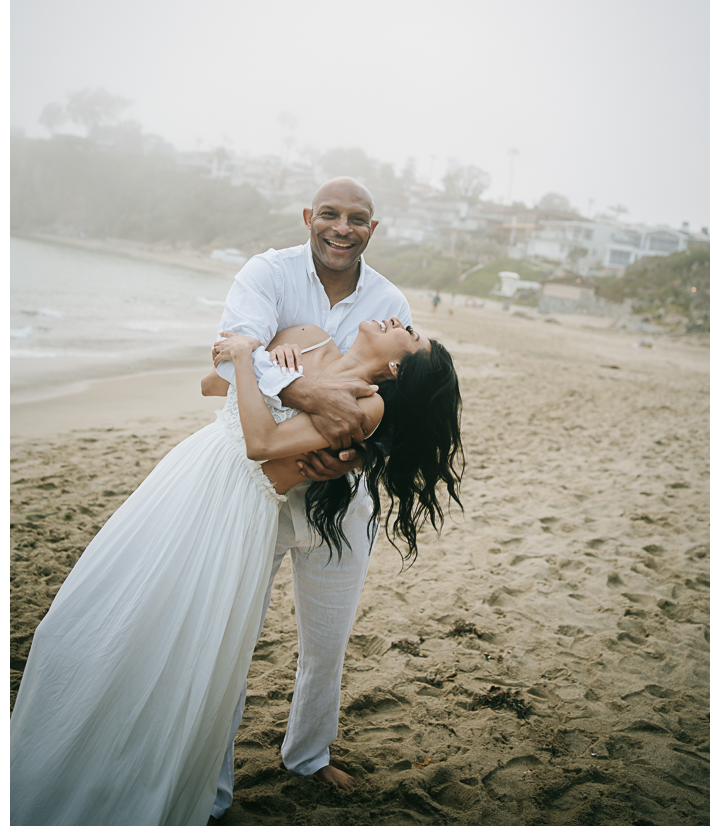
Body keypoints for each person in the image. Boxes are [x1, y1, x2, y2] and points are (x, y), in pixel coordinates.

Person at [10, 314, 463, 826]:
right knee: (82, 624)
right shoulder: (304, 338)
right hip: (188, 475)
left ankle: (151, 774)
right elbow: (211, 384)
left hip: (238, 509)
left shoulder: (369, 404)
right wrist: (278, 371)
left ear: (398, 366)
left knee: (184, 645)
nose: (401, 319)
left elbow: (261, 444)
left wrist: (251, 361)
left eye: (414, 333)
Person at [205, 176, 419, 816]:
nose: (342, 228)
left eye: (357, 218)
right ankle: (212, 785)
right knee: (229, 637)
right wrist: (310, 395)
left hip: (343, 492)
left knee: (327, 639)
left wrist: (355, 448)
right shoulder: (267, 272)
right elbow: (227, 356)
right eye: (330, 214)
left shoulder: (389, 299)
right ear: (308, 216)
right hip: (259, 489)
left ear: (373, 229)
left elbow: (397, 396)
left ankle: (309, 755)